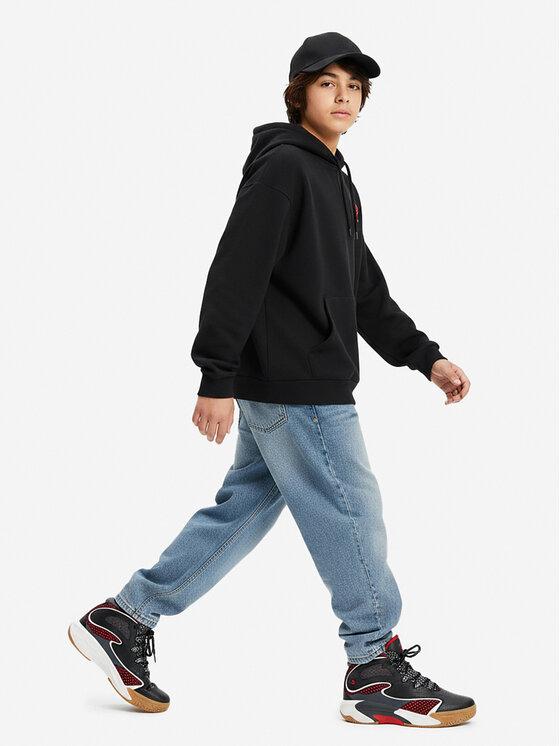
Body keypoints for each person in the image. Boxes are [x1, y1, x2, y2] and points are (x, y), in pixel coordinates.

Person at [68, 32, 475, 727]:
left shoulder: (332, 174)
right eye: (328, 83)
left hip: (294, 380)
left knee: (244, 509)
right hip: (297, 383)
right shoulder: (286, 168)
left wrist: (424, 356)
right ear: (299, 93)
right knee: (351, 512)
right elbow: (237, 269)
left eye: (354, 87)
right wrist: (215, 377)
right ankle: (374, 668)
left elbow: (362, 290)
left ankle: (124, 617)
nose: (344, 96)